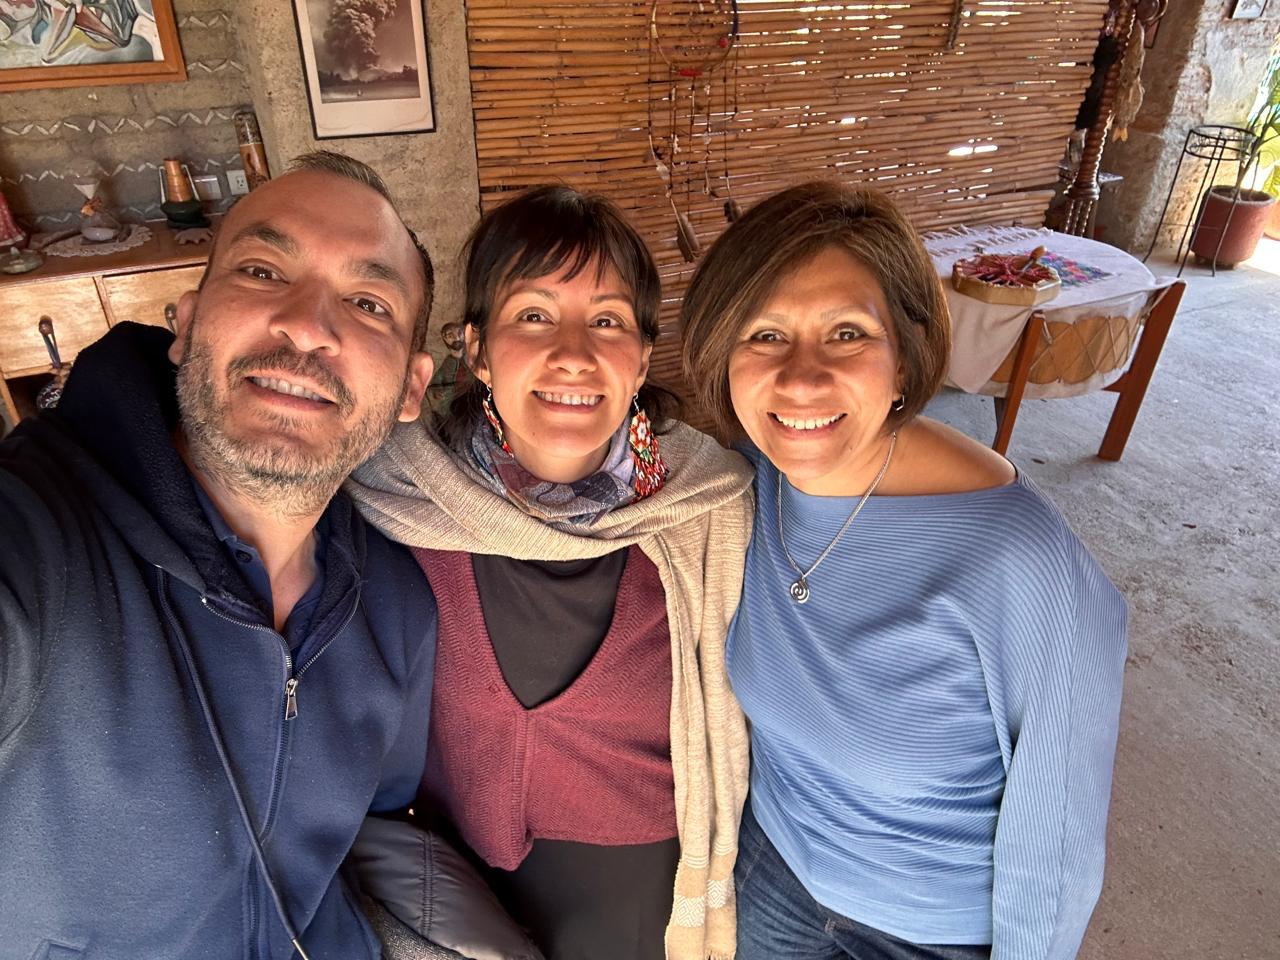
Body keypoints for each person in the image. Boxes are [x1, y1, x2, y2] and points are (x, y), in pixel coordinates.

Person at [0, 151, 438, 959]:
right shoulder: (39, 541)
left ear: (411, 389)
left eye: (368, 303)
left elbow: (381, 822)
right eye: (264, 272)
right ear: (187, 323)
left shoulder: (397, 606)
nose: (307, 327)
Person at [680, 181, 1128, 960]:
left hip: (927, 932)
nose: (801, 379)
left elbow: (1056, 846)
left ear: (904, 358)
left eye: (846, 333)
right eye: (765, 334)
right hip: (773, 866)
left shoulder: (1023, 563)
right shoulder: (745, 483)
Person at [346, 185, 753, 960]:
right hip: (449, 870)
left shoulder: (708, 513)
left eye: (608, 321)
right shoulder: (396, 495)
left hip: (637, 890)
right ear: (477, 350)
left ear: (640, 357)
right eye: (533, 315)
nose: (574, 352)